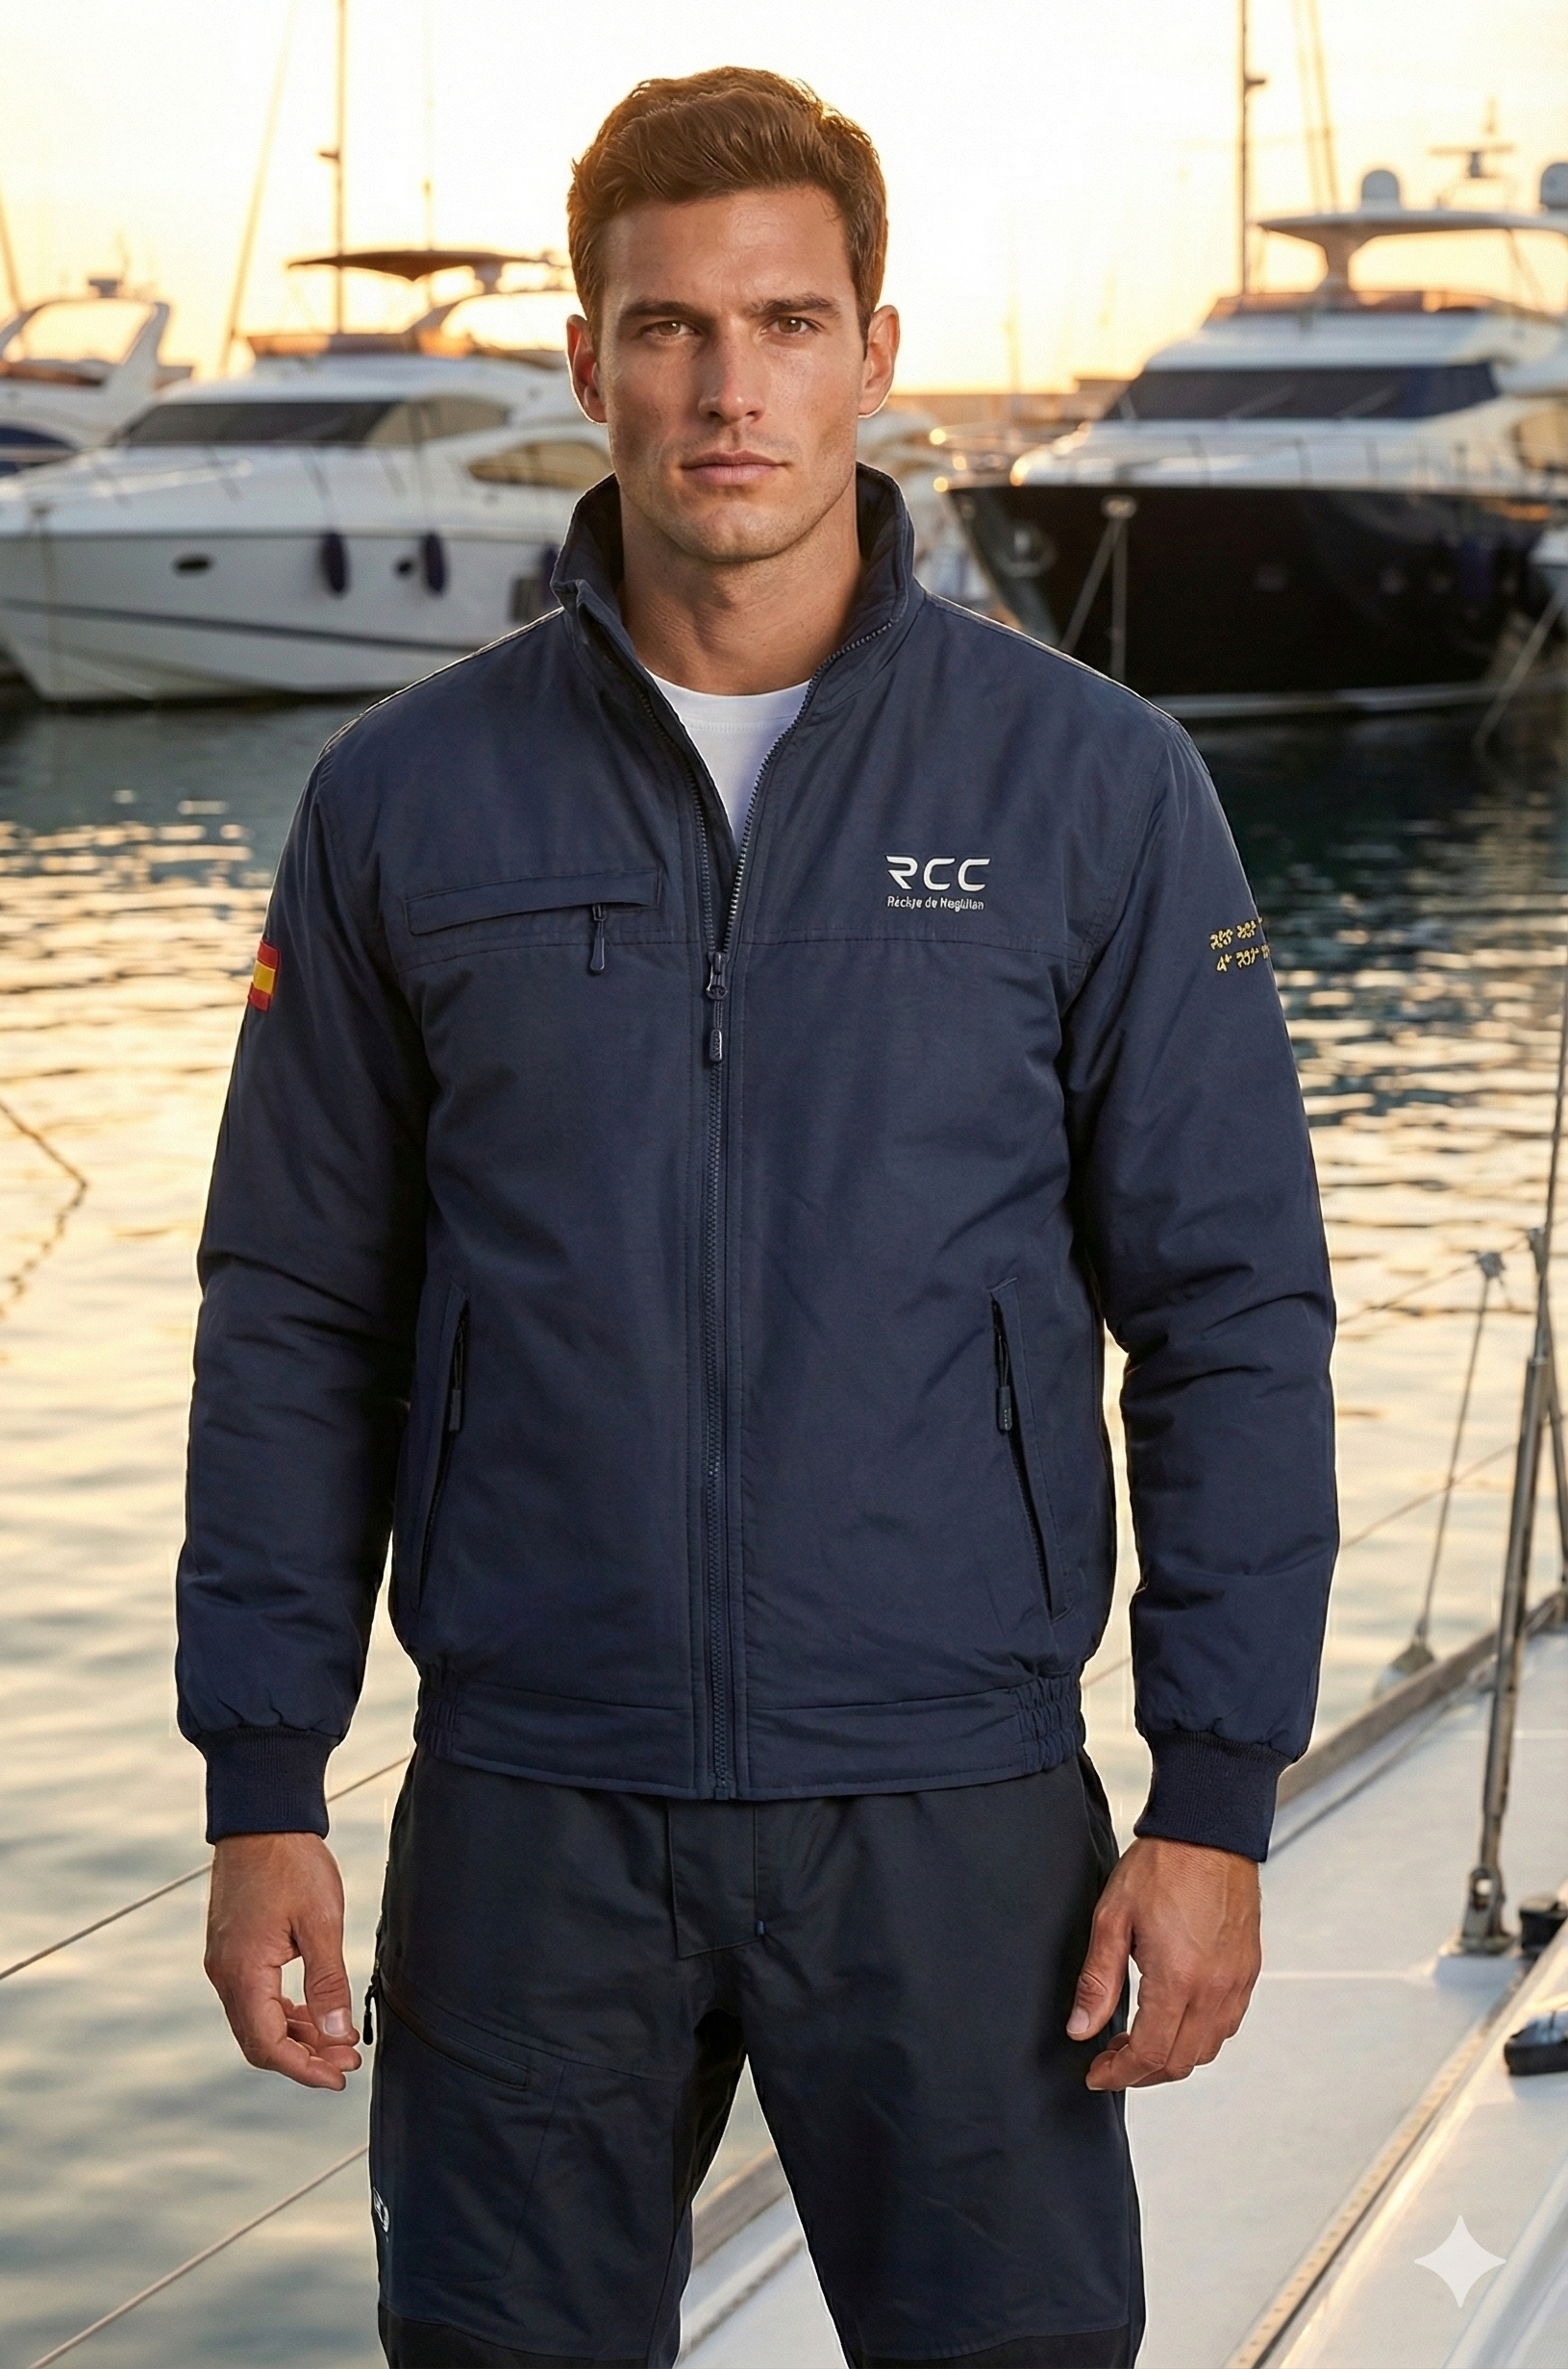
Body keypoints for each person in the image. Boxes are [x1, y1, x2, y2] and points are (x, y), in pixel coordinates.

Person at [179, 65, 1336, 2369]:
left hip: (951, 1796)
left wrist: (1217, 1798)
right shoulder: (403, 800)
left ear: (875, 351)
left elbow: (1229, 1309)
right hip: (532, 1802)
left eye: (789, 323)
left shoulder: (1092, 785)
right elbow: (297, 1309)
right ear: (586, 358)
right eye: (672, 328)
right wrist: (262, 1779)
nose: (731, 390)